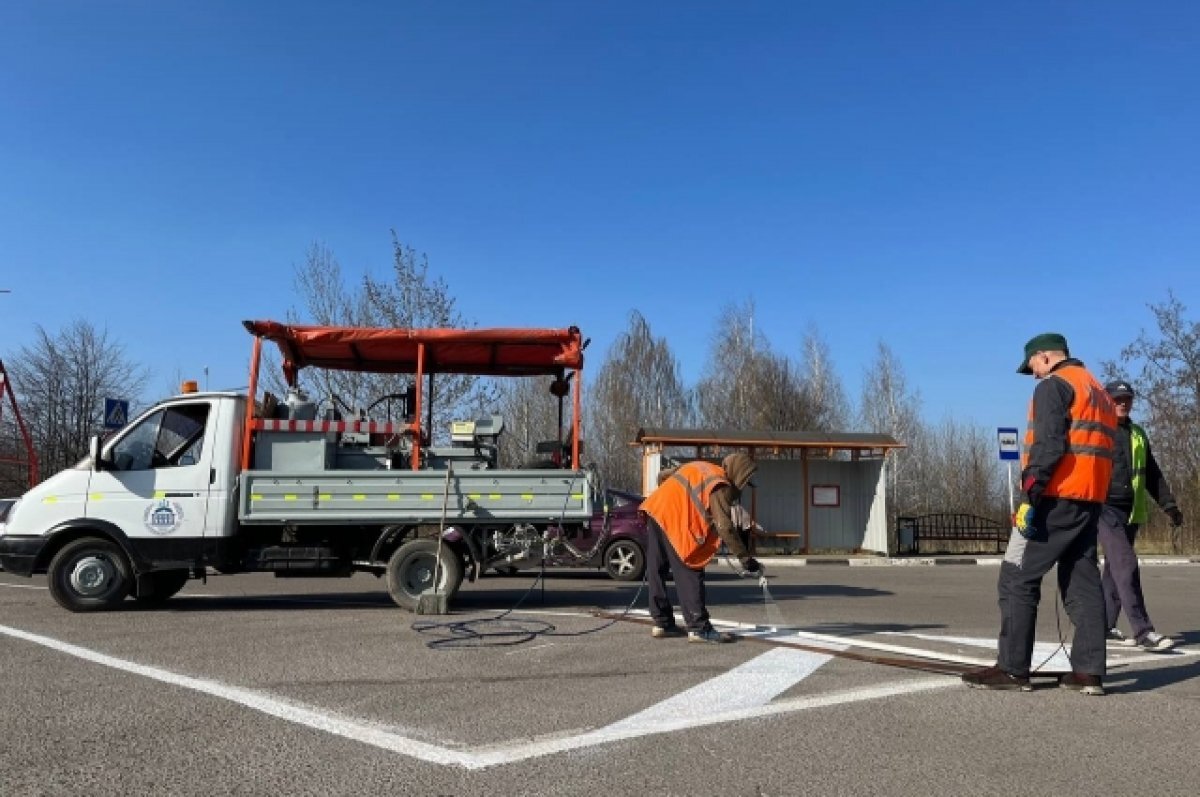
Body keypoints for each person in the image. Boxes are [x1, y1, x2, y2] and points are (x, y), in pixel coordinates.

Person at [962, 333, 1117, 695]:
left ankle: (1013, 669)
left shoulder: (1054, 386)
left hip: (1056, 496)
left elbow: (1049, 443)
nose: (1033, 376)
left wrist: (1031, 491)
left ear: (1045, 357)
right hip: (1090, 498)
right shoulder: (1099, 391)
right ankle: (1088, 672)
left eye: (1032, 366)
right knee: (1082, 580)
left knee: (1017, 575)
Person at [640, 452, 762, 643]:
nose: (743, 487)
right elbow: (724, 525)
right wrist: (746, 559)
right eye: (745, 481)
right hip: (675, 520)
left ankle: (662, 623)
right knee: (690, 568)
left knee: (658, 569)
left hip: (657, 510)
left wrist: (674, 500)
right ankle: (699, 628)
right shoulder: (720, 484)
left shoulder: (701, 467)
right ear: (739, 473)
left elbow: (662, 475)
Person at [1099, 379, 1184, 652]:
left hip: (1131, 510)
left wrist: (1168, 505)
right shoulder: (1098, 431)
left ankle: (1102, 626)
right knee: (1126, 564)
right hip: (1104, 508)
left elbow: (1152, 473)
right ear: (1107, 401)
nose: (1123, 403)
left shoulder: (1137, 433)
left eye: (1127, 399)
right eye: (1117, 399)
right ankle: (1143, 630)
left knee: (1114, 570)